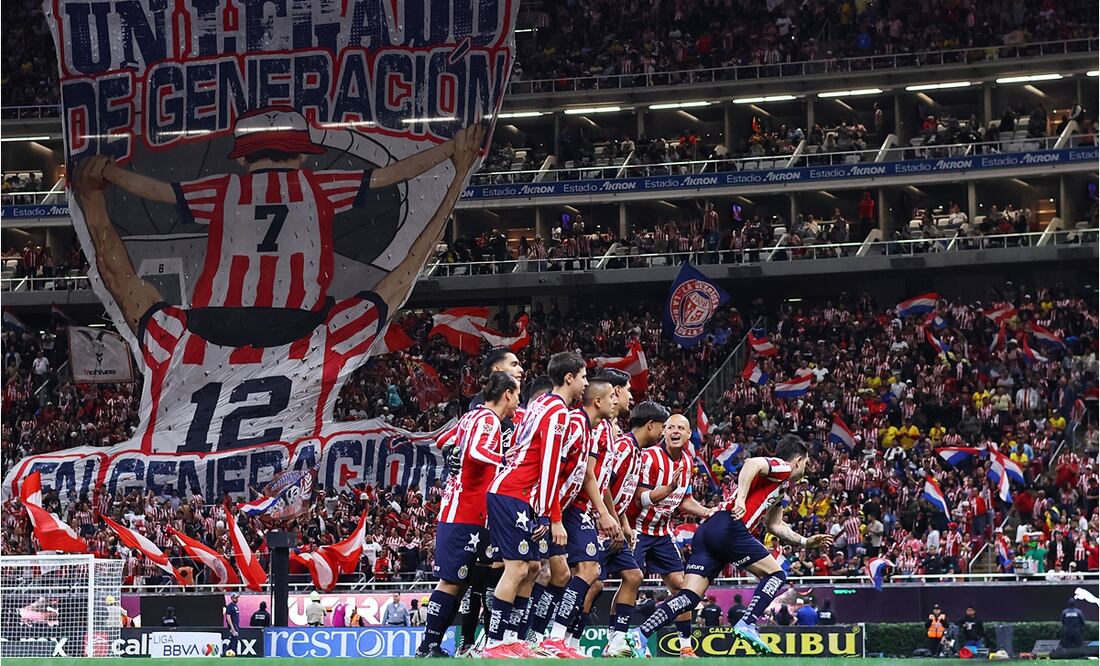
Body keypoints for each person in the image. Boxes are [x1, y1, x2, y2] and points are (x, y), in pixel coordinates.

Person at [70, 118, 485, 452]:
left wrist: (100, 185)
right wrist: (454, 163)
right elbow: (404, 253)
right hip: (298, 322)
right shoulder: (331, 340)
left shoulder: (174, 341)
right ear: (302, 153)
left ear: (244, 160)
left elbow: (127, 260)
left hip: (215, 321)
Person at [627, 434, 833, 656]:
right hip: (730, 527)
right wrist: (742, 500)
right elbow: (751, 463)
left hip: (708, 531)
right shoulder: (782, 467)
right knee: (775, 575)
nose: (806, 468)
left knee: (689, 597)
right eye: (807, 463)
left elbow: (774, 525)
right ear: (799, 460)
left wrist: (804, 541)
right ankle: (748, 622)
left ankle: (640, 633)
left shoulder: (780, 486)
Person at [482, 352, 588, 658]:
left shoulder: (540, 403)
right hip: (512, 493)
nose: (584, 384)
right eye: (582, 377)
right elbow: (550, 466)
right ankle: (493, 642)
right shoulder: (559, 414)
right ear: (569, 378)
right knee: (516, 568)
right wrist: (550, 517)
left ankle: (513, 637)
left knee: (531, 569)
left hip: (518, 493)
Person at [417, 371, 522, 657]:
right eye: (517, 395)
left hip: (473, 513)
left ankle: (441, 646)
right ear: (507, 394)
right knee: (451, 580)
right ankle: (428, 646)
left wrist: (455, 451)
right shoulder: (489, 420)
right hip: (462, 512)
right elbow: (476, 451)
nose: (517, 403)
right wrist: (506, 463)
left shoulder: (471, 417)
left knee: (466, 579)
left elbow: (442, 442)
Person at [534, 375, 622, 658]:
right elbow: (560, 472)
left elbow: (587, 474)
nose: (616, 401)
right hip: (560, 508)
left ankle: (549, 638)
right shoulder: (576, 424)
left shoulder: (590, 426)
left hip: (571, 508)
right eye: (612, 397)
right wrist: (556, 516)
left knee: (563, 574)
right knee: (538, 571)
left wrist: (605, 512)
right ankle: (541, 637)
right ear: (598, 401)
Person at [630, 413, 717, 658]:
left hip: (661, 532)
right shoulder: (650, 457)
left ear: (689, 435)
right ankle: (619, 641)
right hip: (638, 529)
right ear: (663, 432)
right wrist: (668, 488)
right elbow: (641, 499)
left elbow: (685, 501)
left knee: (681, 588)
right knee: (631, 581)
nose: (675, 431)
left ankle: (685, 646)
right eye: (670, 427)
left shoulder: (689, 462)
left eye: (681, 428)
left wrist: (707, 512)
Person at [601, 400, 670, 656]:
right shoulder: (625, 448)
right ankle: (565, 639)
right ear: (650, 425)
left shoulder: (637, 451)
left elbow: (623, 493)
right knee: (590, 582)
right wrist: (610, 518)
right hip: (601, 524)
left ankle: (616, 640)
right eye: (662, 427)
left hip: (616, 524)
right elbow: (604, 483)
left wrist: (626, 524)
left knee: (633, 576)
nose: (663, 433)